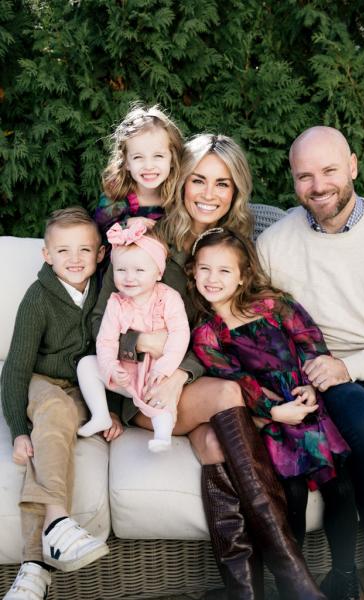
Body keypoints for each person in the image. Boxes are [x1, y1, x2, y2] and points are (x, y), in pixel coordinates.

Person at [93, 133, 326, 600]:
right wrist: (149, 346)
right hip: (148, 390)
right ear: (181, 182)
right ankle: (296, 580)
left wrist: (189, 372)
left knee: (219, 441)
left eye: (223, 184)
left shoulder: (236, 249)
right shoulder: (148, 239)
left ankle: (245, 590)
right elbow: (103, 323)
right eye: (198, 180)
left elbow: (247, 329)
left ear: (237, 191)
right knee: (226, 395)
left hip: (192, 386)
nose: (208, 193)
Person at [256, 125, 364, 597]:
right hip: (326, 373)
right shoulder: (275, 244)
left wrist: (352, 366)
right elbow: (267, 329)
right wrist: (322, 373)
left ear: (354, 166)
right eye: (305, 176)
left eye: (330, 171)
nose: (318, 186)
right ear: (293, 180)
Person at [187, 227, 359, 600]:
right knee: (290, 495)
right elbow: (234, 380)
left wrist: (313, 383)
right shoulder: (207, 333)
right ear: (193, 272)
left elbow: (311, 341)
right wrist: (273, 411)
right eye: (204, 269)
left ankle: (345, 574)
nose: (213, 279)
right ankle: (294, 585)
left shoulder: (274, 304)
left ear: (243, 275)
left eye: (224, 271)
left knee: (341, 486)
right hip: (270, 417)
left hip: (308, 403)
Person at [1, 207, 111, 600]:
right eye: (64, 250)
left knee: (52, 439)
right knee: (53, 412)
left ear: (100, 254)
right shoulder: (38, 298)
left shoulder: (106, 289)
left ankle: (34, 569)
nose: (76, 258)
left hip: (84, 389)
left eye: (85, 249)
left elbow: (113, 353)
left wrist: (111, 409)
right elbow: (15, 368)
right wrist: (17, 430)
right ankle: (59, 522)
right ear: (47, 255)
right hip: (40, 381)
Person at [77, 220, 190, 449]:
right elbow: (106, 339)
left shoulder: (168, 298)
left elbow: (180, 335)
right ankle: (100, 415)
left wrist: (165, 368)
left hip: (155, 373)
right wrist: (109, 367)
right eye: (121, 270)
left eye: (139, 270)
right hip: (124, 374)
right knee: (87, 365)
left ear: (158, 273)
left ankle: (162, 436)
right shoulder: (115, 302)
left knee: (163, 401)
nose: (129, 278)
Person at [94, 103, 183, 275]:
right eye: (138, 157)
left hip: (162, 274)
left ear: (172, 158)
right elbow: (98, 233)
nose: (148, 166)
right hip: (120, 275)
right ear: (126, 162)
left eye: (158, 156)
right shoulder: (116, 196)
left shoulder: (177, 197)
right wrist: (126, 224)